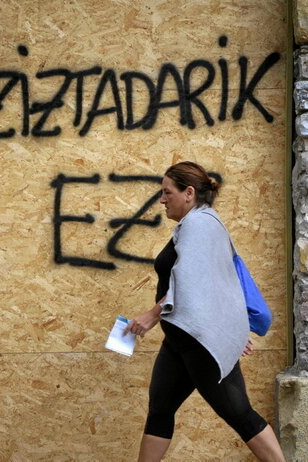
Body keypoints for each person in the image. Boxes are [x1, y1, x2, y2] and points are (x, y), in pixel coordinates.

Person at [124, 161, 285, 462]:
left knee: (240, 415)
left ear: (188, 193)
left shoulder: (200, 225)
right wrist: (228, 325)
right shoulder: (193, 225)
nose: (161, 200)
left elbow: (190, 282)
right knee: (160, 410)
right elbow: (215, 285)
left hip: (198, 344)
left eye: (166, 192)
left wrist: (151, 315)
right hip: (179, 341)